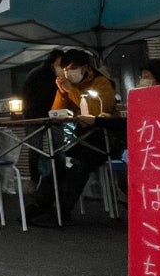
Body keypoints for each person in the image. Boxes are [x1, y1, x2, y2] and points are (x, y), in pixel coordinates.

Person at [29, 51, 118, 226]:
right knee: (58, 162)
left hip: (104, 139)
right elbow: (56, 113)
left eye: (73, 68)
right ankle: (40, 205)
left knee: (78, 167)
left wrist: (72, 91)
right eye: (66, 69)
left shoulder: (101, 83)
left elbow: (96, 111)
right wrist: (63, 93)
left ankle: (62, 212)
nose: (69, 72)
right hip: (82, 139)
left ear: (85, 68)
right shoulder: (70, 86)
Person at [20, 50, 65, 191]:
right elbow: (28, 97)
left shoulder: (61, 75)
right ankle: (36, 182)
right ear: (54, 61)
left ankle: (59, 180)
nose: (63, 65)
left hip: (55, 116)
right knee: (36, 149)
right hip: (35, 117)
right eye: (60, 62)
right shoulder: (37, 74)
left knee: (58, 148)